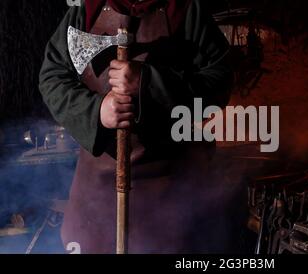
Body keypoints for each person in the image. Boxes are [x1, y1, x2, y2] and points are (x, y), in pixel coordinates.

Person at [39, 0, 233, 254]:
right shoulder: (86, 10)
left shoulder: (185, 10)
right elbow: (52, 78)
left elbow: (220, 81)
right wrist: (97, 111)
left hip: (173, 184)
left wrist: (149, 82)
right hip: (98, 188)